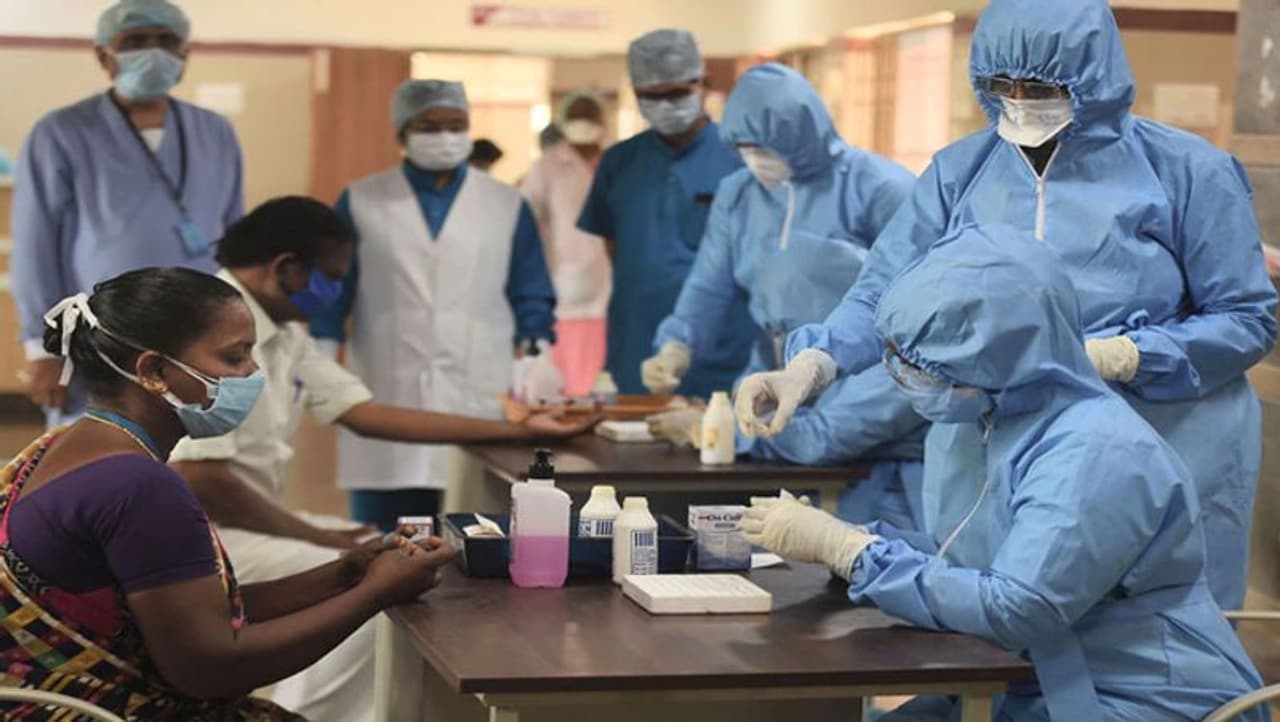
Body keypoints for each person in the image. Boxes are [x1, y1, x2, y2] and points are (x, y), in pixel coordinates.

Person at [736, 0, 1278, 612]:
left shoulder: (1185, 172)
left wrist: (1126, 355)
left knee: (1137, 615)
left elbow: (1247, 317)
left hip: (1157, 431)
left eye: (1040, 87)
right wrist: (813, 364)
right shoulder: (961, 173)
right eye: (1002, 85)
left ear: (1094, 75)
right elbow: (884, 287)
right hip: (991, 438)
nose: (1019, 101)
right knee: (985, 600)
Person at [747, 225, 1266, 722]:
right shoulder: (997, 422)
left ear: (996, 359)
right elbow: (970, 557)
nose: (900, 373)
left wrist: (853, 553)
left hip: (1133, 693)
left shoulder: (1096, 451)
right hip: (1027, 678)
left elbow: (1017, 607)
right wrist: (854, 541)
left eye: (919, 363)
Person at [168, 197, 594, 721]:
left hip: (242, 527)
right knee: (376, 586)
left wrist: (520, 429)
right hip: (205, 540)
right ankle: (312, 715)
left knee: (383, 551)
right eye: (332, 278)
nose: (338, 293)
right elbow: (202, 480)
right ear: (287, 268)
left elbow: (365, 412)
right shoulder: (215, 329)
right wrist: (321, 539)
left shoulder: (282, 331)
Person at [0, 267, 456, 721]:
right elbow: (210, 669)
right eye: (234, 357)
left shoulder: (64, 446)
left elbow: (191, 611)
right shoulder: (140, 486)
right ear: (154, 370)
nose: (253, 372)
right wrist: (375, 594)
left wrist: (344, 574)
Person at [642, 63, 922, 527]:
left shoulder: (881, 189)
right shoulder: (740, 195)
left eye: (765, 147)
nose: (755, 159)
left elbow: (826, 436)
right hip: (777, 376)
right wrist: (678, 343)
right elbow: (709, 284)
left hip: (873, 384)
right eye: (745, 148)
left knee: (868, 546)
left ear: (804, 132)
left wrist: (718, 432)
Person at [311, 79, 557, 530]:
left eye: (456, 125)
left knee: (478, 526)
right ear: (402, 132)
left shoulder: (505, 204)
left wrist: (535, 355)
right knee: (385, 536)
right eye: (429, 126)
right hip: (387, 386)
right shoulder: (362, 199)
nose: (445, 136)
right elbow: (331, 289)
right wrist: (320, 358)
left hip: (479, 388)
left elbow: (532, 289)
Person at [12, 0, 244, 427]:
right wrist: (42, 349)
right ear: (105, 56)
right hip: (100, 337)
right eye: (135, 41)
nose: (153, 52)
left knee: (194, 454)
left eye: (166, 41)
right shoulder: (62, 133)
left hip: (197, 335)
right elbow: (34, 247)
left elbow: (234, 240)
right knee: (102, 452)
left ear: (185, 54)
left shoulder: (215, 133)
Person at [578, 28, 756, 396]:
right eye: (652, 96)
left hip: (723, 348)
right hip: (637, 347)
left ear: (702, 84)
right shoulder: (619, 163)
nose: (666, 105)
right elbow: (616, 249)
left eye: (676, 93)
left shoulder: (741, 160)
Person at [521, 91, 612, 395]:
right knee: (567, 375)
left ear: (602, 121)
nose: (583, 123)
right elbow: (526, 220)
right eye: (577, 116)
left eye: (589, 116)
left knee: (605, 376)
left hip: (613, 279)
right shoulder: (547, 166)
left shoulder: (616, 162)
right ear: (563, 122)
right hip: (564, 281)